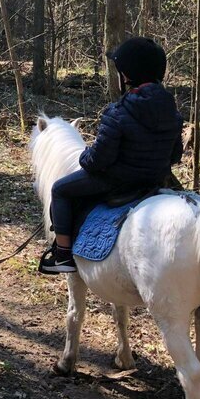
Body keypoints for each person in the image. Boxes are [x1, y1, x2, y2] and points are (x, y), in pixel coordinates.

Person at [39, 36, 184, 274]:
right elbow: (175, 155)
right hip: (154, 181)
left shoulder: (118, 112)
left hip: (116, 181)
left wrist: (85, 156)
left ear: (127, 75)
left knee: (60, 189)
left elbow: (99, 160)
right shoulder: (172, 113)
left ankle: (63, 255)